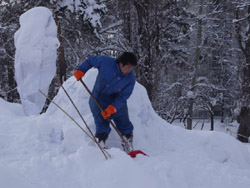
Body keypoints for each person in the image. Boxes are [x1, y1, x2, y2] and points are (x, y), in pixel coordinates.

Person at [74, 52, 137, 152]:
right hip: (97, 97)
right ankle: (101, 141)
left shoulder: (130, 79)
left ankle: (127, 140)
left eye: (132, 68)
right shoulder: (106, 62)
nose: (130, 70)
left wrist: (113, 107)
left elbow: (123, 96)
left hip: (115, 100)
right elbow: (90, 60)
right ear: (121, 63)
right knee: (100, 119)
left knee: (122, 117)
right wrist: (81, 70)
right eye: (128, 67)